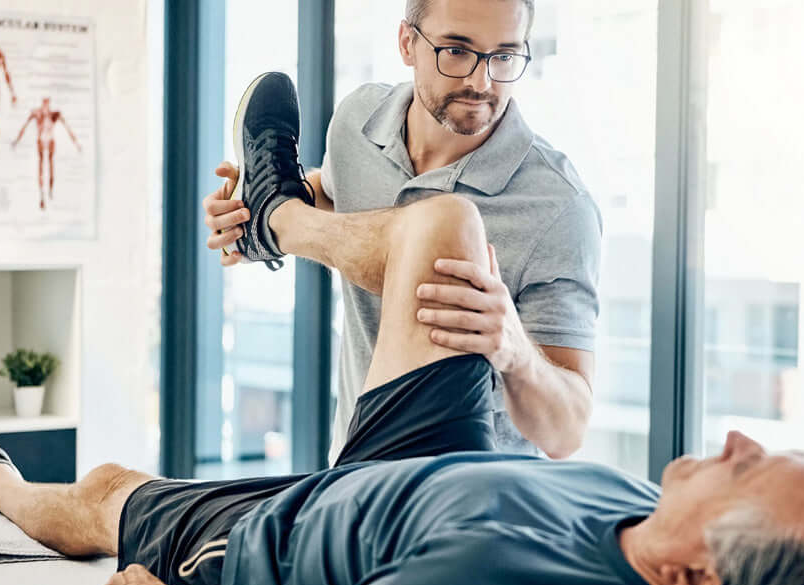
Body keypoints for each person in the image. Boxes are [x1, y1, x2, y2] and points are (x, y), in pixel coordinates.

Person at [0, 189, 804, 585]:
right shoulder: (641, 515)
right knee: (447, 225)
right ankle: (280, 213)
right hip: (429, 461)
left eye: (750, 466)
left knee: (106, 491)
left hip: (293, 532)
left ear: (696, 583)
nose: (739, 436)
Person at [205, 0, 599, 465]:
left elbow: (567, 432)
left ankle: (280, 221)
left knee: (445, 225)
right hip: (352, 468)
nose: (481, 82)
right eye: (457, 51)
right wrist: (247, 210)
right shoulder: (358, 122)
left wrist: (513, 346)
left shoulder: (557, 205)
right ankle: (275, 218)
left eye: (505, 56)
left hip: (467, 498)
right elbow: (336, 195)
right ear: (407, 43)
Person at [12, 97, 82, 210]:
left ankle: (50, 191)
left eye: (47, 104)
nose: (45, 106)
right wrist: (17, 140)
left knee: (50, 165)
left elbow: (68, 129)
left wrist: (76, 143)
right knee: (41, 166)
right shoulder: (37, 114)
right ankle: (42, 196)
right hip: (41, 140)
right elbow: (24, 126)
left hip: (49, 140)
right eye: (44, 104)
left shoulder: (54, 115)